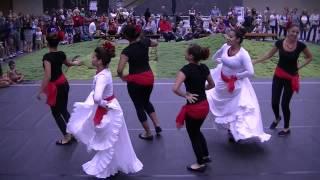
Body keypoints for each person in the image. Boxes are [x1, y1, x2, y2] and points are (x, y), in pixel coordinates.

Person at [67, 41, 143, 178]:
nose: (92, 59)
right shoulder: (105, 72)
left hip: (109, 110)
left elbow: (97, 98)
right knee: (115, 139)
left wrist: (104, 104)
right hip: (112, 107)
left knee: (110, 140)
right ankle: (113, 165)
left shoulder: (102, 77)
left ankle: (108, 166)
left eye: (94, 57)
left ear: (100, 60)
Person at [206, 27, 271, 143]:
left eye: (231, 37)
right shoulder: (225, 47)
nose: (228, 38)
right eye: (228, 36)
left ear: (238, 39)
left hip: (235, 86)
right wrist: (221, 61)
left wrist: (236, 76)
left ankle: (234, 131)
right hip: (221, 82)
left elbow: (250, 72)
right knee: (215, 100)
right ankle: (229, 128)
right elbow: (215, 57)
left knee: (235, 108)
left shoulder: (243, 54)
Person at [254, 24, 313, 136]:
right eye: (293, 31)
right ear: (287, 31)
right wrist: (255, 61)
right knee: (274, 102)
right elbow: (268, 55)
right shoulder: (279, 43)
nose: (295, 34)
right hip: (278, 76)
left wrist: (299, 66)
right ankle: (277, 118)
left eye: (297, 32)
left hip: (291, 78)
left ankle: (286, 128)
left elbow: (310, 57)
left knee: (285, 104)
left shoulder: (301, 45)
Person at [173, 44, 214, 172]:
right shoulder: (204, 67)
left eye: (186, 52)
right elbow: (212, 84)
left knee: (193, 134)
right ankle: (205, 155)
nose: (184, 54)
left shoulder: (185, 70)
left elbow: (175, 88)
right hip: (204, 106)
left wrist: (186, 95)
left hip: (194, 108)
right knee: (197, 130)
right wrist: (202, 89)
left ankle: (200, 163)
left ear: (191, 56)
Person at [37, 28, 82, 145]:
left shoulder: (47, 57)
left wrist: (40, 90)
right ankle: (73, 132)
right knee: (63, 110)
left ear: (47, 43)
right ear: (57, 43)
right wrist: (76, 62)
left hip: (56, 88)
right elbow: (69, 63)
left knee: (56, 113)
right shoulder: (61, 54)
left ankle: (67, 137)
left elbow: (48, 75)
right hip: (64, 84)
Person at [117, 24, 162, 140]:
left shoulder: (126, 51)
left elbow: (119, 70)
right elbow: (156, 43)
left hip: (135, 80)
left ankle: (148, 132)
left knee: (139, 106)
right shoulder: (145, 42)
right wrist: (143, 38)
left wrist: (122, 77)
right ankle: (157, 125)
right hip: (148, 77)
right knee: (146, 101)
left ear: (126, 36)